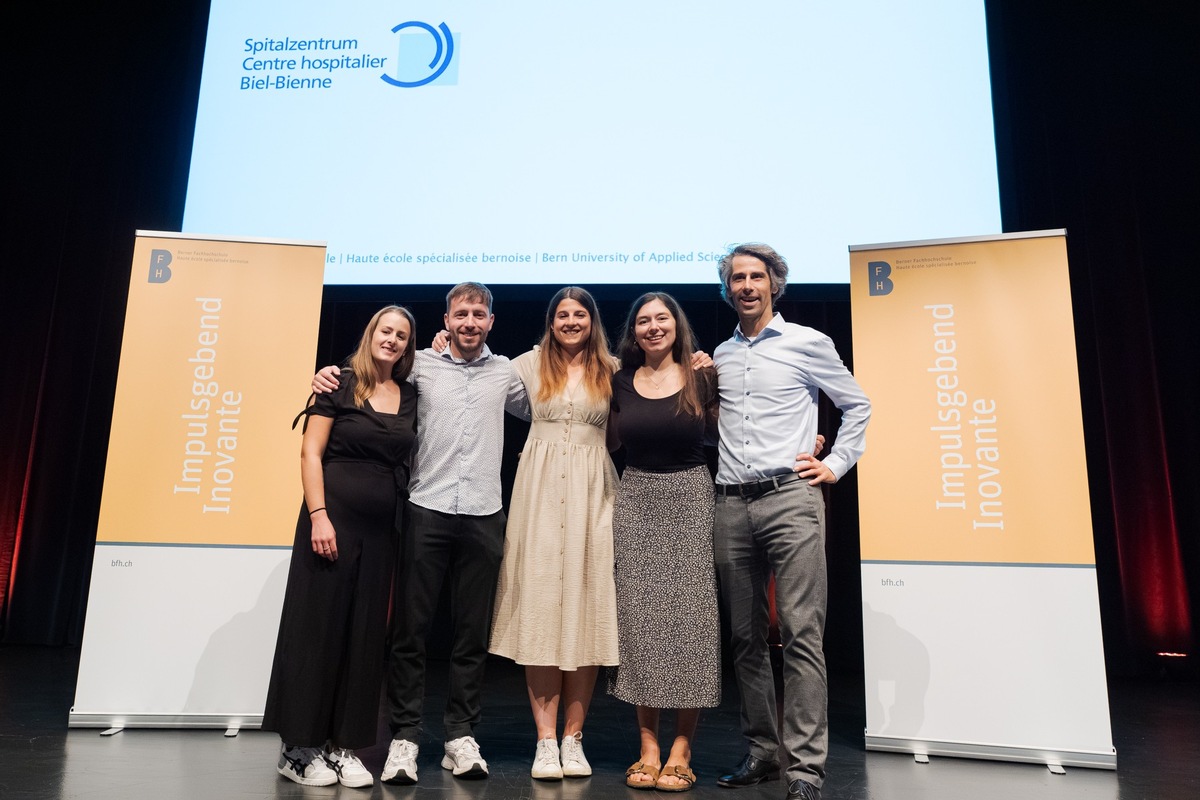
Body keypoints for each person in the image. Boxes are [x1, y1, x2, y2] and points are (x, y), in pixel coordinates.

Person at [311, 283, 530, 786]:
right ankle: (405, 737)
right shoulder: (420, 367)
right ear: (446, 320)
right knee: (410, 633)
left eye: (479, 314)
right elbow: (373, 373)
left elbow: (555, 398)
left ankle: (460, 736)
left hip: (484, 513)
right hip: (425, 509)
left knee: (471, 635)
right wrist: (331, 374)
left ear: (491, 321)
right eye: (461, 314)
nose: (470, 322)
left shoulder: (507, 373)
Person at [711, 244, 870, 800]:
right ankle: (763, 752)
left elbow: (858, 404)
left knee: (802, 634)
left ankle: (805, 770)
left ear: (774, 285)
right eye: (737, 278)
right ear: (727, 289)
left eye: (756, 276)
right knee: (745, 637)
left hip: (790, 498)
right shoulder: (721, 354)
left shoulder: (807, 342)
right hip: (730, 502)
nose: (747, 286)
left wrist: (835, 463)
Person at [263, 305, 418, 789]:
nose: (391, 340)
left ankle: (342, 745)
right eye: (385, 331)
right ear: (371, 334)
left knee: (364, 638)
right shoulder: (338, 383)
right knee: (317, 633)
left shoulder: (411, 394)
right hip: (331, 523)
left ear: (408, 346)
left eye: (401, 335)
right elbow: (310, 451)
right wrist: (319, 516)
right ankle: (298, 748)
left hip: (381, 532)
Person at [487, 286, 620, 780]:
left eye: (579, 314)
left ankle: (573, 738)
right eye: (562, 314)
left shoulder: (614, 368)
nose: (570, 321)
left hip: (594, 495)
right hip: (539, 494)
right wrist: (438, 345)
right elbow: (473, 372)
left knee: (587, 609)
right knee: (541, 610)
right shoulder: (525, 365)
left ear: (592, 320)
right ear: (550, 322)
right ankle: (545, 741)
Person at [606, 292, 720, 792]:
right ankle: (649, 747)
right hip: (635, 499)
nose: (653, 327)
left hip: (690, 498)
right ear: (633, 332)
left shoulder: (703, 375)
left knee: (690, 623)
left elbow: (736, 431)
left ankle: (682, 748)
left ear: (677, 326)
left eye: (662, 318)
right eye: (643, 321)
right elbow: (607, 440)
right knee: (641, 622)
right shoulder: (619, 380)